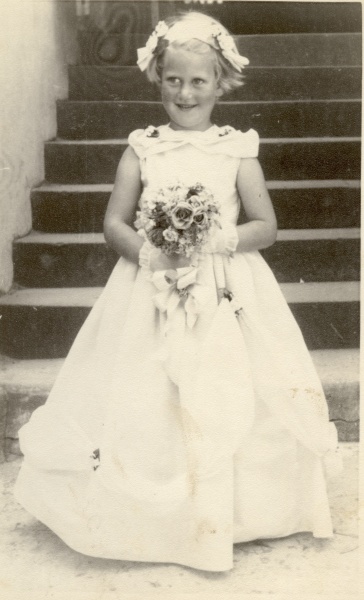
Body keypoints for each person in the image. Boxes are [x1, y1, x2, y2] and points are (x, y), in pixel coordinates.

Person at [14, 11, 341, 572]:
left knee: (227, 389)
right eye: (173, 80)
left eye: (198, 81)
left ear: (221, 83)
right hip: (153, 284)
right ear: (156, 79)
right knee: (148, 387)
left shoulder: (236, 150)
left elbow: (266, 226)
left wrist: (216, 239)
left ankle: (237, 511)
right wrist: (149, 250)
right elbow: (114, 222)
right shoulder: (143, 148)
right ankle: (153, 513)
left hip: (223, 287)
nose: (185, 93)